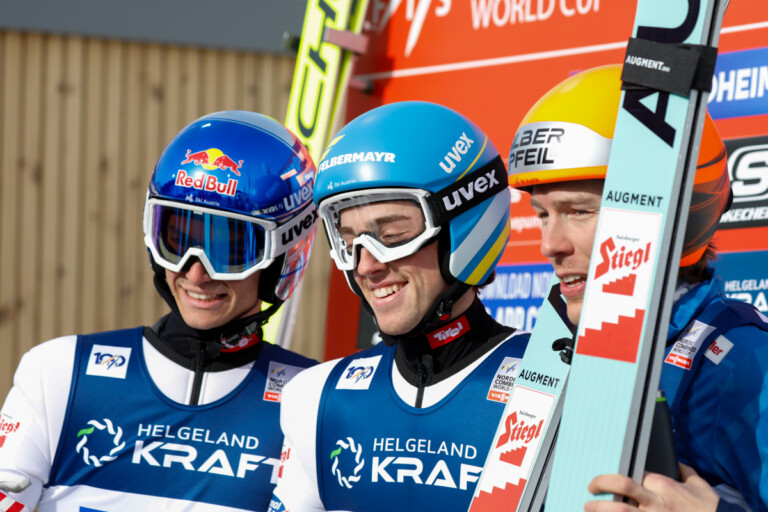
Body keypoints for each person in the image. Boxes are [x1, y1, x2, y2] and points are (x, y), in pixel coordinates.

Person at [0, 111, 319, 511]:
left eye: (229, 248)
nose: (196, 273)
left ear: (282, 254)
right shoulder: (61, 374)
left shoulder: (314, 400)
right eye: (178, 237)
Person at [507, 64, 768, 512]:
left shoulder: (737, 360)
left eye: (579, 211)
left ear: (669, 211)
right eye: (543, 213)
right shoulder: (556, 347)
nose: (550, 245)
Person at [268, 101, 530, 511]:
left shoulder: (553, 382)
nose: (367, 265)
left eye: (391, 234)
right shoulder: (317, 398)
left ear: (465, 223)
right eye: (350, 240)